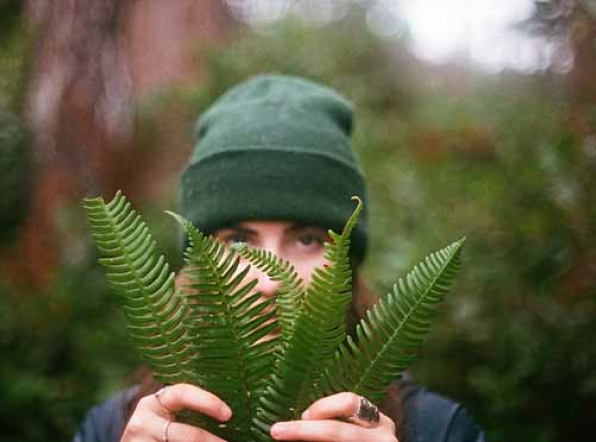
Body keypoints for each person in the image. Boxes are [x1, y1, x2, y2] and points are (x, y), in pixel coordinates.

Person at [74, 74, 485, 442]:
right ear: (195, 262)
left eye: (307, 239)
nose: (270, 281)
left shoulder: (439, 429)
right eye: (237, 240)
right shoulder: (114, 429)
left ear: (347, 264)